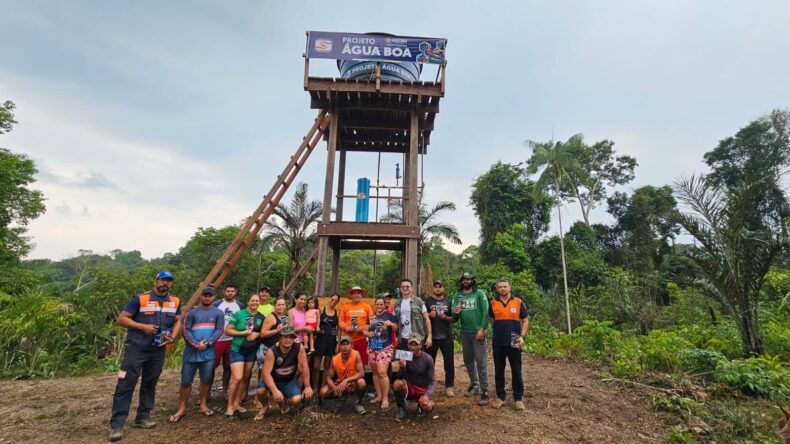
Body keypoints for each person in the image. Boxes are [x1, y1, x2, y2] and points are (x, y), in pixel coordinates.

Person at [108, 271, 181, 442]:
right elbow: (122, 319)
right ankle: (117, 424)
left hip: (158, 350)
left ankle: (143, 417)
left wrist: (172, 336)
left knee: (150, 383)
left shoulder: (175, 301)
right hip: (137, 348)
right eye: (162, 280)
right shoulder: (140, 299)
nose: (165, 283)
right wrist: (142, 327)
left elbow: (178, 320)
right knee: (126, 384)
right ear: (155, 281)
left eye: (169, 281)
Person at [170, 287, 224, 423]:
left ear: (214, 297)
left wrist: (207, 343)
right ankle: (182, 408)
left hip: (208, 353)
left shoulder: (218, 313)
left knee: (205, 380)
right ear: (201, 296)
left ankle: (203, 405)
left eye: (210, 296)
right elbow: (185, 330)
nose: (207, 298)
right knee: (186, 381)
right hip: (191, 353)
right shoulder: (191, 313)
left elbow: (219, 330)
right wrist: (195, 344)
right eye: (205, 295)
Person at [489, 279, 529, 411]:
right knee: (499, 370)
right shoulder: (493, 303)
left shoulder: (518, 302)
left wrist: (522, 337)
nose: (503, 288)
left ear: (509, 288)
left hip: (514, 340)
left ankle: (518, 399)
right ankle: (500, 397)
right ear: (497, 289)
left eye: (505, 286)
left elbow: (525, 320)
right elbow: (492, 320)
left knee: (516, 370)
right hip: (498, 341)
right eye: (500, 287)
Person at [256, 326, 313, 419]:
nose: (288, 340)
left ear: (294, 339)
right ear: (280, 338)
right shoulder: (272, 351)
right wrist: (274, 390)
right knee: (260, 391)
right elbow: (265, 373)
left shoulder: (299, 347)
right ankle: (265, 406)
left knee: (296, 400)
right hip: (274, 379)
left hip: (288, 380)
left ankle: (284, 401)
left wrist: (307, 386)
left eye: (291, 337)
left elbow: (305, 367)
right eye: (285, 337)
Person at [451, 271, 490, 405]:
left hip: (477, 332)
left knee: (481, 361)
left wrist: (482, 328)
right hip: (465, 332)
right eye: (463, 279)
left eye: (468, 279)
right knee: (468, 360)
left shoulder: (479, 294)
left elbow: (486, 312)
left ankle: (485, 390)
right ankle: (474, 384)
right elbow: (453, 313)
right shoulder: (458, 295)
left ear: (472, 280)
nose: (465, 281)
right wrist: (455, 311)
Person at [224, 294, 263, 416]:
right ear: (248, 301)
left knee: (246, 377)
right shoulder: (239, 314)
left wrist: (257, 334)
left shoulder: (261, 316)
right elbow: (228, 330)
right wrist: (243, 333)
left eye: (257, 301)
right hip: (237, 349)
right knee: (237, 378)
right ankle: (229, 406)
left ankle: (237, 403)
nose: (254, 303)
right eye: (252, 300)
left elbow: (263, 331)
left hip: (251, 351)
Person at [364, 297, 398, 411]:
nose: (379, 306)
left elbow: (396, 329)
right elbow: (365, 329)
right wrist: (367, 334)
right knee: (375, 372)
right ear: (374, 306)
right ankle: (378, 395)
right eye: (377, 304)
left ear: (384, 305)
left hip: (385, 347)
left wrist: (391, 324)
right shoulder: (371, 317)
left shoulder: (389, 316)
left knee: (382, 372)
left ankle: (385, 398)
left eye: (381, 304)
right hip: (372, 347)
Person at [319, 335, 367, 414]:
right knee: (323, 391)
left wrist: (347, 380)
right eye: (343, 344)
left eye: (347, 344)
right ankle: (339, 400)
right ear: (340, 346)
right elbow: (328, 377)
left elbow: (361, 373)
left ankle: (358, 402)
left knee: (362, 383)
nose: (345, 347)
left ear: (351, 345)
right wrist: (334, 387)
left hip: (353, 381)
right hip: (341, 382)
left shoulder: (356, 354)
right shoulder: (335, 359)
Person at [253, 297, 287, 408]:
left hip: (274, 350)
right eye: (279, 305)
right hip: (265, 349)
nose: (281, 307)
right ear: (274, 306)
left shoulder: (281, 317)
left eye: (283, 305)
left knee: (270, 374)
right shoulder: (271, 317)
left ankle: (268, 396)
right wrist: (276, 330)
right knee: (263, 374)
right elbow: (263, 333)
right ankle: (258, 399)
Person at [425, 279, 456, 397]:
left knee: (449, 362)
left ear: (443, 288)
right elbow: (421, 315)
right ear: (433, 288)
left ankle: (449, 386)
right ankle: (428, 385)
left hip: (446, 336)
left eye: (440, 286)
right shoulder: (427, 301)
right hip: (431, 337)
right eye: (436, 286)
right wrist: (429, 314)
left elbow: (454, 318)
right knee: (429, 362)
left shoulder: (449, 301)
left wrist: (446, 318)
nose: (438, 288)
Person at [211, 284, 244, 400]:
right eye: (228, 291)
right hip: (217, 339)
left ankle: (225, 391)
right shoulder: (217, 304)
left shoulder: (239, 305)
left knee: (228, 366)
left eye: (232, 291)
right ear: (224, 292)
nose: (230, 293)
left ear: (235, 292)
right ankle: (207, 391)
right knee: (211, 366)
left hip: (232, 340)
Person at [393, 334, 435, 421]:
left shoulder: (428, 359)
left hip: (422, 389)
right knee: (397, 384)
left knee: (429, 406)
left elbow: (432, 381)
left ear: (420, 345)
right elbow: (399, 376)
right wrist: (402, 367)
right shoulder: (405, 355)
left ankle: (420, 406)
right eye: (411, 344)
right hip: (409, 386)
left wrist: (427, 395)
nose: (413, 347)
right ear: (407, 345)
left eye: (416, 344)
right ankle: (401, 408)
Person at [311, 293, 340, 393]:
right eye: (332, 299)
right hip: (320, 339)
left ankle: (323, 387)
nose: (333, 301)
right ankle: (315, 387)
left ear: (337, 302)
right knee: (316, 366)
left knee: (327, 366)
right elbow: (315, 322)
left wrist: (338, 343)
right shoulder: (321, 310)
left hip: (331, 340)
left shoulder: (337, 312)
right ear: (329, 298)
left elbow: (339, 329)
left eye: (336, 301)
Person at [339, 286, 374, 367]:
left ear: (361, 295)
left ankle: (360, 375)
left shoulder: (367, 306)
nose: (356, 295)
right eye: (354, 293)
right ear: (351, 295)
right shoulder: (345, 306)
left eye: (358, 293)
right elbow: (340, 321)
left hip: (362, 339)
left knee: (361, 364)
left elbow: (372, 321)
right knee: (347, 363)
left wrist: (363, 329)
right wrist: (346, 327)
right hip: (348, 340)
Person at [394, 279, 432, 351]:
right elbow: (395, 322)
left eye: (407, 286)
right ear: (401, 289)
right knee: (404, 358)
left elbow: (427, 319)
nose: (405, 288)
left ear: (412, 288)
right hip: (402, 339)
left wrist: (429, 336)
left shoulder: (419, 302)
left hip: (417, 338)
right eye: (403, 287)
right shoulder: (397, 304)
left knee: (417, 358)